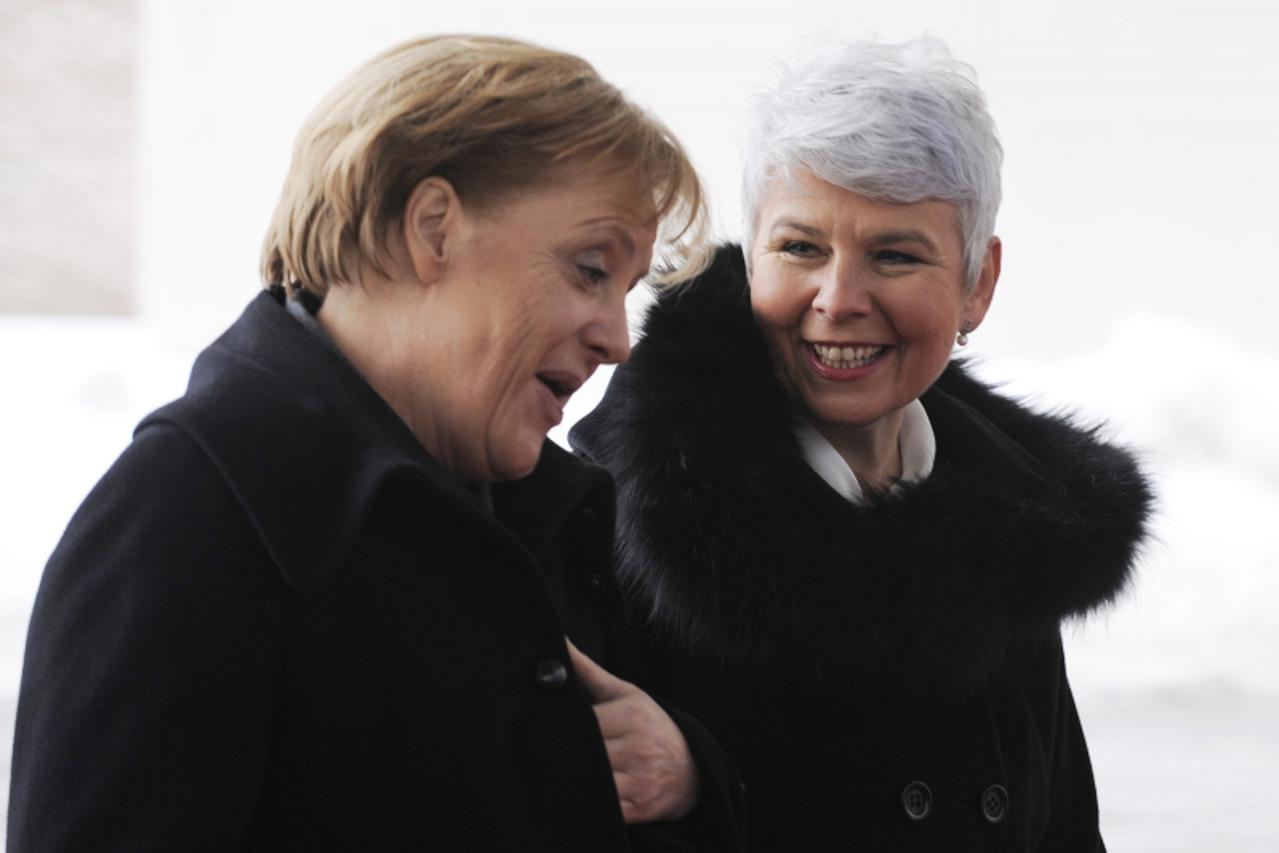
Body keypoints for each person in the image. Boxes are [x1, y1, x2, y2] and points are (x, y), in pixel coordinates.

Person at [8, 35, 745, 851]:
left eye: (625, 290)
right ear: (433, 228)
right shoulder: (185, 510)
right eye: (588, 269)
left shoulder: (543, 513)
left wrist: (687, 778)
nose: (617, 340)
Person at [572, 37, 1152, 851]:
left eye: (894, 255)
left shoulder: (1019, 529)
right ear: (750, 258)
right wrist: (710, 791)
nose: (838, 299)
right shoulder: (602, 522)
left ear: (977, 284)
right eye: (800, 248)